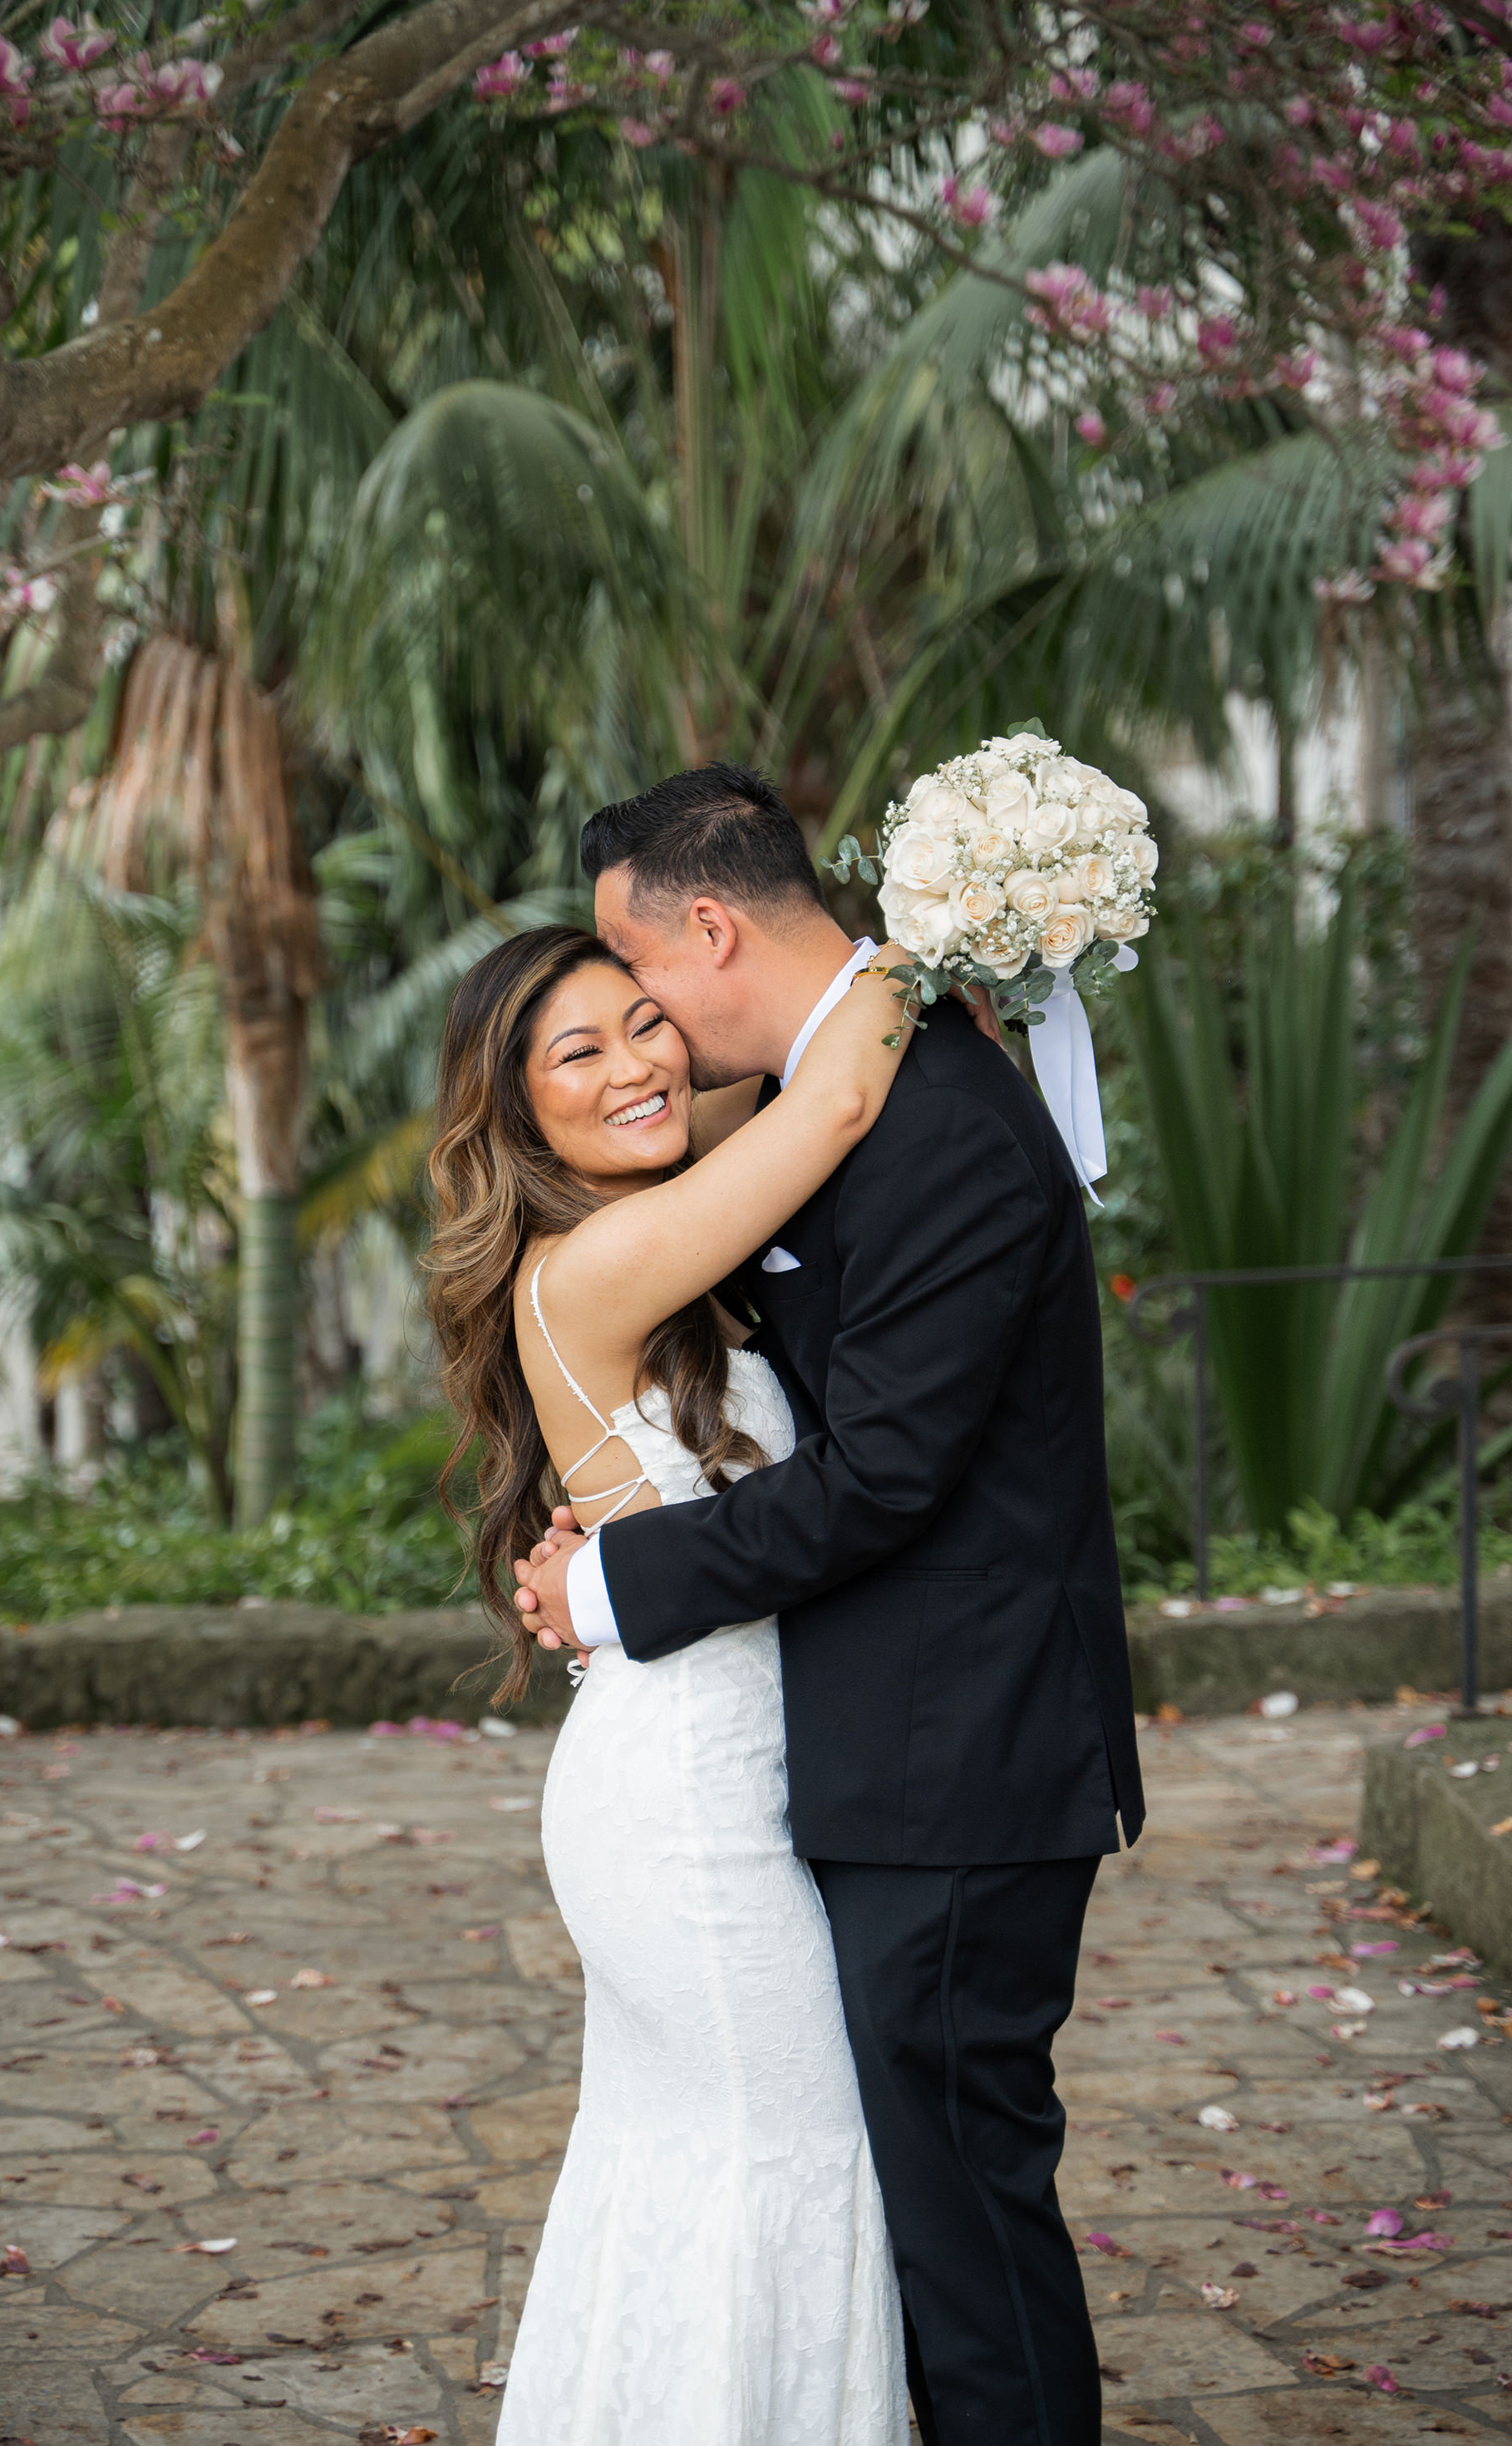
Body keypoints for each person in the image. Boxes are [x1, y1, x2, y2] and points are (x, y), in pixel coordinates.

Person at [512, 764, 1145, 2446]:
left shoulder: (920, 1113)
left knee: (955, 2226)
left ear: (704, 926)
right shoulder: (823, 1105)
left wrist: (610, 1578)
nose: (641, 1032)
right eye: (587, 1036)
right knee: (900, 2205)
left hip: (960, 1757)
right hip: (830, 1761)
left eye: (638, 988)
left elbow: (878, 1478)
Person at [424, 915, 932, 2445]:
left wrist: (702, 1039)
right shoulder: (596, 1262)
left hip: (724, 1766)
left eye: (646, 1021)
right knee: (798, 2147)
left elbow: (763, 1065)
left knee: (688, 2162)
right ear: (516, 1115)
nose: (640, 1065)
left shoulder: (660, 1202)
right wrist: (967, 902)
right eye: (577, 1052)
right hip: (683, 1803)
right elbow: (834, 1093)